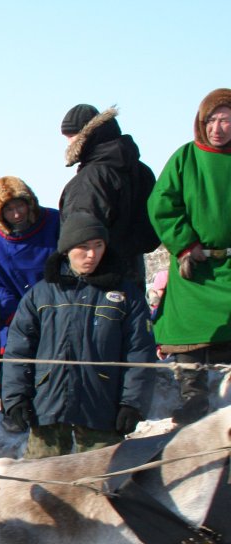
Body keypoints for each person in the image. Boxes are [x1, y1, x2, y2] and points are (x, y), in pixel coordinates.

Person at [2, 215, 155, 458]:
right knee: (43, 482)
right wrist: (15, 398)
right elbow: (19, 351)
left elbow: (140, 353)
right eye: (83, 247)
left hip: (102, 408)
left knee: (105, 484)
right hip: (48, 407)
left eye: (98, 246)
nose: (92, 254)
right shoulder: (40, 295)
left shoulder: (126, 295)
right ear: (66, 250)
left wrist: (132, 403)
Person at [147, 88, 231, 425]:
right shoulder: (185, 158)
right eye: (211, 120)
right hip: (194, 268)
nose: (217, 127)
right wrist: (184, 244)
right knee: (185, 332)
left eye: (226, 120)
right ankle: (192, 396)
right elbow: (162, 204)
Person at [0, 177, 60, 398]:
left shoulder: (54, 222)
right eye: (9, 209)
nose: (16, 214)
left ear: (30, 202)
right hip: (15, 311)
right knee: (16, 363)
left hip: (56, 307)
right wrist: (15, 312)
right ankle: (14, 406)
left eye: (20, 205)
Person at [59, 104, 159, 283]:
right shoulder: (142, 171)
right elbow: (153, 228)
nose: (69, 143)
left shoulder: (89, 180)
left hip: (98, 276)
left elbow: (80, 234)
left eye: (71, 136)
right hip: (134, 271)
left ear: (86, 136)